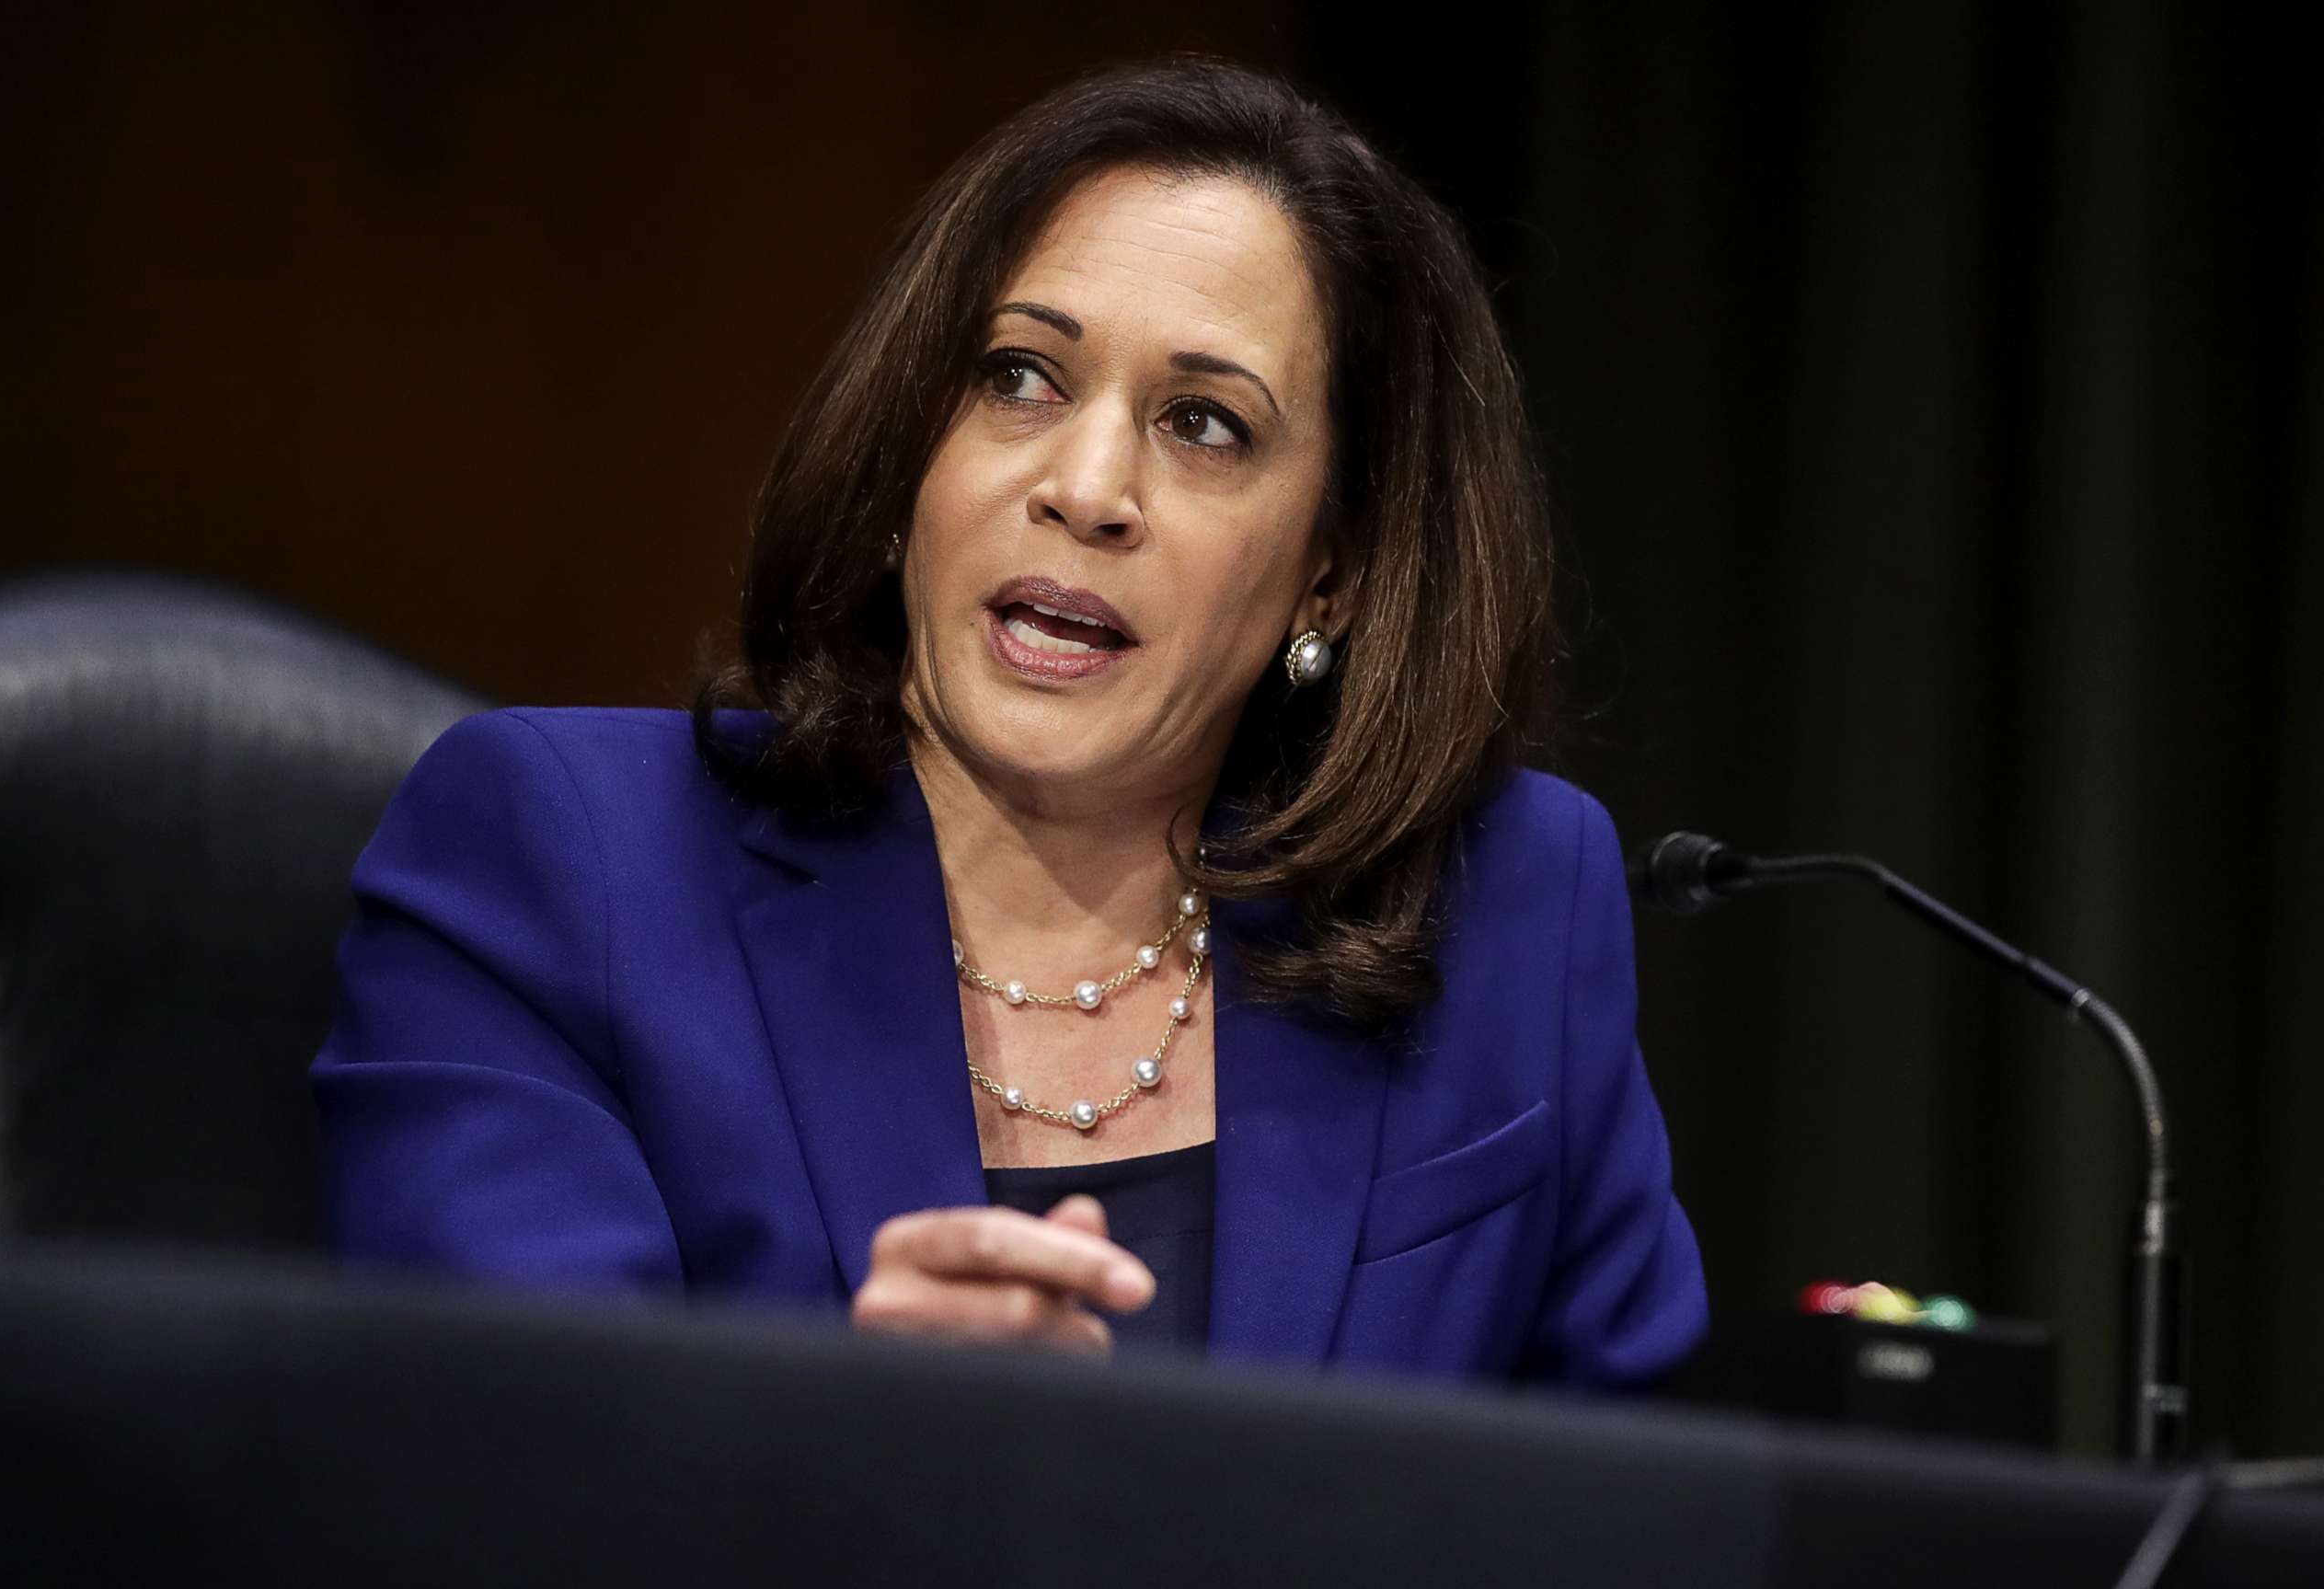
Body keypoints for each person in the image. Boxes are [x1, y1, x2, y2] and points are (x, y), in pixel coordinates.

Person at [308, 57, 1707, 1387]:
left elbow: (1649, 1512)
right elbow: (505, 1480)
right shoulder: (560, 866)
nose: (1087, 485)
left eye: (1205, 424)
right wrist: (868, 1465)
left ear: (1332, 571)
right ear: (914, 444)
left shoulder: (1506, 915)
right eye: (1018, 378)